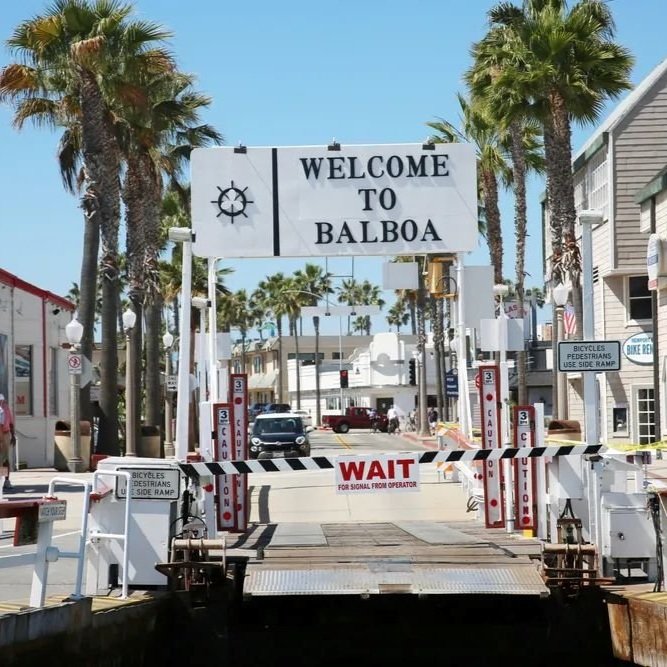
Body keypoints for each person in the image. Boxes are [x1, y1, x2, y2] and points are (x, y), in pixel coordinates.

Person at [0, 394, 16, 491]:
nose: (2, 403)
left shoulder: (5, 409)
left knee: (4, 459)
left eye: (2, 401)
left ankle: (5, 481)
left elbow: (11, 423)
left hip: (5, 434)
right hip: (2, 434)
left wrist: (13, 435)